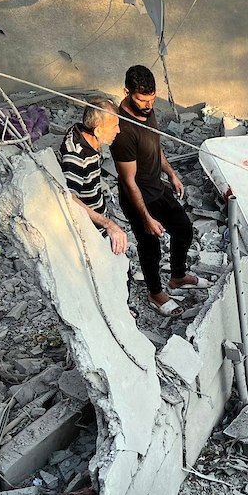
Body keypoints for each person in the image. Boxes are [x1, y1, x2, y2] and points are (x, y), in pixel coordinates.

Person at [112, 64, 206, 316]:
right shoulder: (123, 131)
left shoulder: (148, 111)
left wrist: (171, 173)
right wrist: (146, 218)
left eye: (151, 99)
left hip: (158, 186)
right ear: (127, 92)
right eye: (142, 100)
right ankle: (155, 293)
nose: (148, 105)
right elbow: (128, 181)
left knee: (183, 229)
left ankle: (178, 277)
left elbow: (154, 145)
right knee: (150, 247)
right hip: (138, 197)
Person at [58, 97, 128, 256]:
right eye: (114, 126)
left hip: (99, 213)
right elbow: (70, 198)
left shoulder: (82, 133)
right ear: (97, 131)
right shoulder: (76, 157)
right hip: (90, 228)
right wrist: (107, 224)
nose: (118, 130)